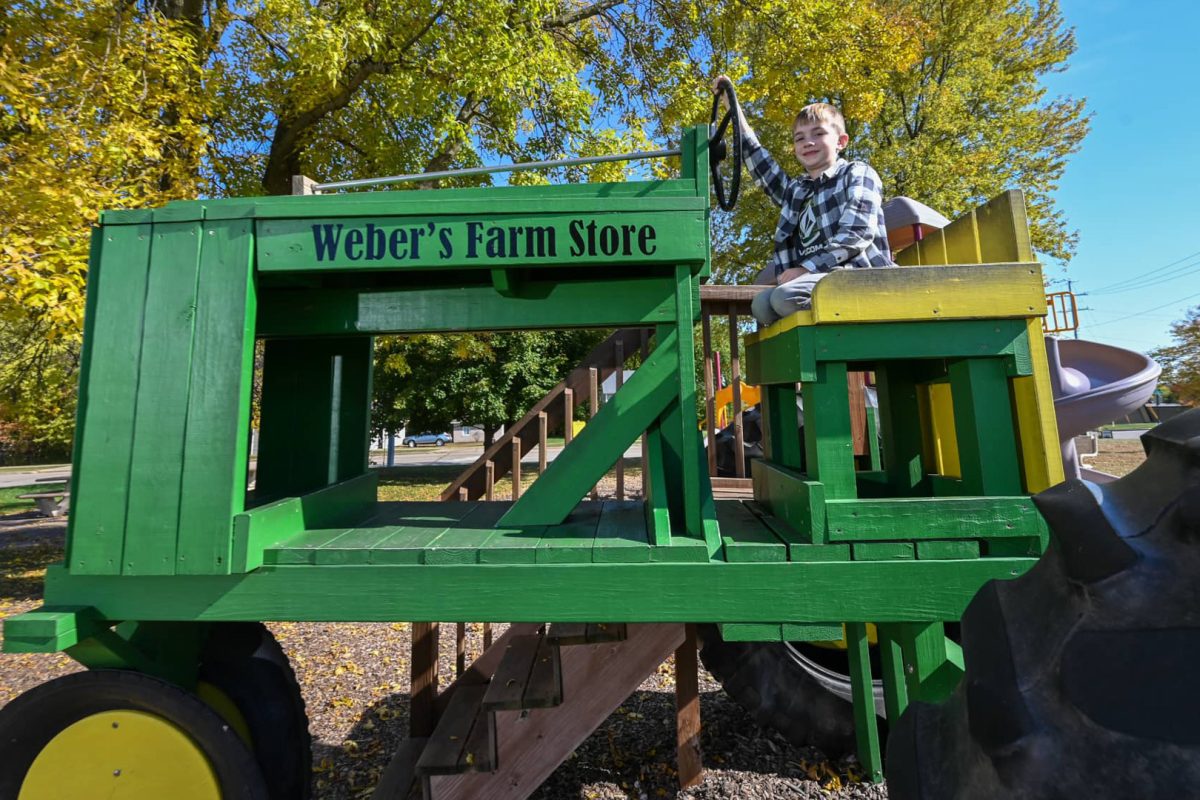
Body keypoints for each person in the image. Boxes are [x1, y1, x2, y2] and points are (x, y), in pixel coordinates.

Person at [712, 76, 894, 325]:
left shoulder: (857, 173)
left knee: (784, 297)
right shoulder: (797, 191)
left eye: (818, 134)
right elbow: (759, 162)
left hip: (859, 280)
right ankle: (813, 353)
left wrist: (806, 269)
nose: (808, 142)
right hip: (816, 282)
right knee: (762, 306)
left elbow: (856, 233)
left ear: (841, 142)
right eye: (800, 138)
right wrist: (732, 108)